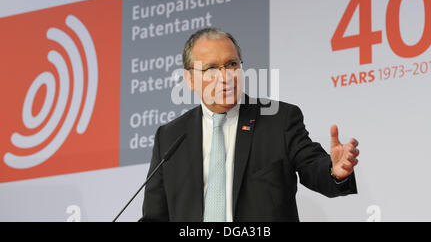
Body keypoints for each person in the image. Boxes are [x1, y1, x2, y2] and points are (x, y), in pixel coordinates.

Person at [140, 28, 359, 222]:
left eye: (232, 64)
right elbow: (155, 216)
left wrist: (334, 171)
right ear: (189, 79)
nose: (225, 76)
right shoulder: (170, 136)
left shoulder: (279, 119)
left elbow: (312, 166)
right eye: (211, 69)